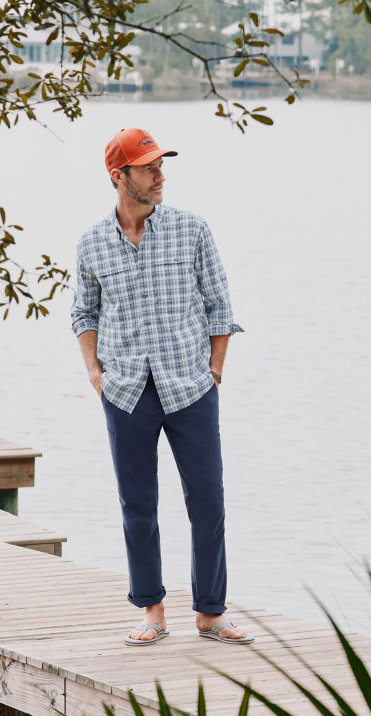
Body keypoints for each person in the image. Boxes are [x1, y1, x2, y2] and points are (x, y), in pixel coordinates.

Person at [71, 127, 253, 646]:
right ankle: (152, 610)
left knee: (208, 500)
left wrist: (214, 373)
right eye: (149, 168)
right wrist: (95, 372)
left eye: (160, 166)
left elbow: (221, 306)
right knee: (138, 504)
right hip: (126, 390)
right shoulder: (91, 243)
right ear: (119, 176)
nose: (160, 176)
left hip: (191, 386)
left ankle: (211, 613)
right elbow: (83, 312)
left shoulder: (192, 230)